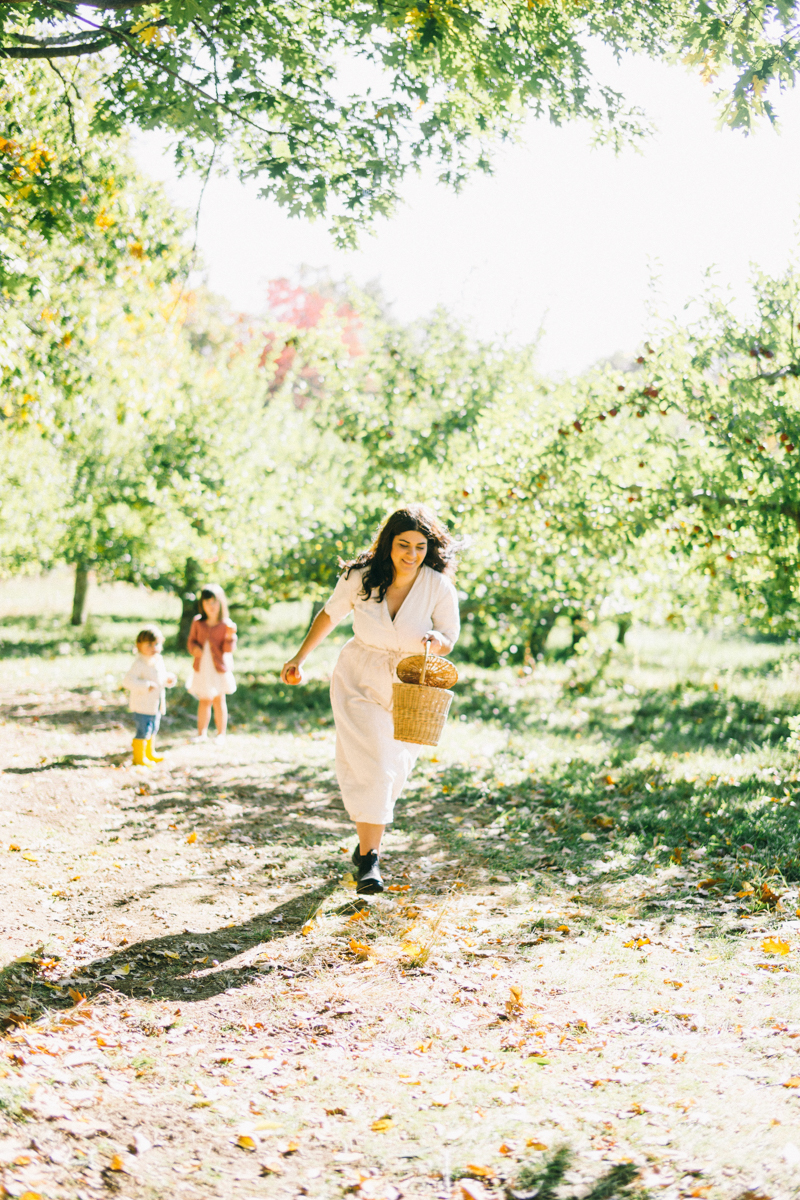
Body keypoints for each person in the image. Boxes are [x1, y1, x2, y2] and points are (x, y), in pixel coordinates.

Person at [281, 505, 460, 894]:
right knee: (375, 764)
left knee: (393, 766)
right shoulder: (361, 578)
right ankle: (372, 861)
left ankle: (364, 851)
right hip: (359, 677)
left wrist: (438, 641)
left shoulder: (437, 586)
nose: (411, 554)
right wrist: (299, 658)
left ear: (429, 547)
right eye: (402, 545)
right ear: (387, 544)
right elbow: (328, 615)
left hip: (411, 683)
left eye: (419, 546)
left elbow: (449, 634)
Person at [186, 584, 237, 742]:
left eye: (214, 602)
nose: (211, 606)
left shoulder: (226, 624)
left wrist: (230, 636)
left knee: (219, 699)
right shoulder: (198, 622)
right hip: (203, 666)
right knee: (204, 699)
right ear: (202, 605)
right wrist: (194, 649)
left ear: (221, 603)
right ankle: (202, 733)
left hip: (219, 667)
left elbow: (228, 649)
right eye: (207, 603)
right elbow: (191, 642)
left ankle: (221, 734)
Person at [122, 625, 176, 766]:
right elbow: (128, 681)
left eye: (156, 644)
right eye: (149, 644)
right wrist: (145, 685)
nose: (153, 648)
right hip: (142, 704)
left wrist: (168, 679)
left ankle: (149, 753)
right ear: (139, 645)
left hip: (155, 704)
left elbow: (161, 677)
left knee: (153, 728)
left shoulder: (158, 660)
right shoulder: (139, 663)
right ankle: (139, 758)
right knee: (143, 730)